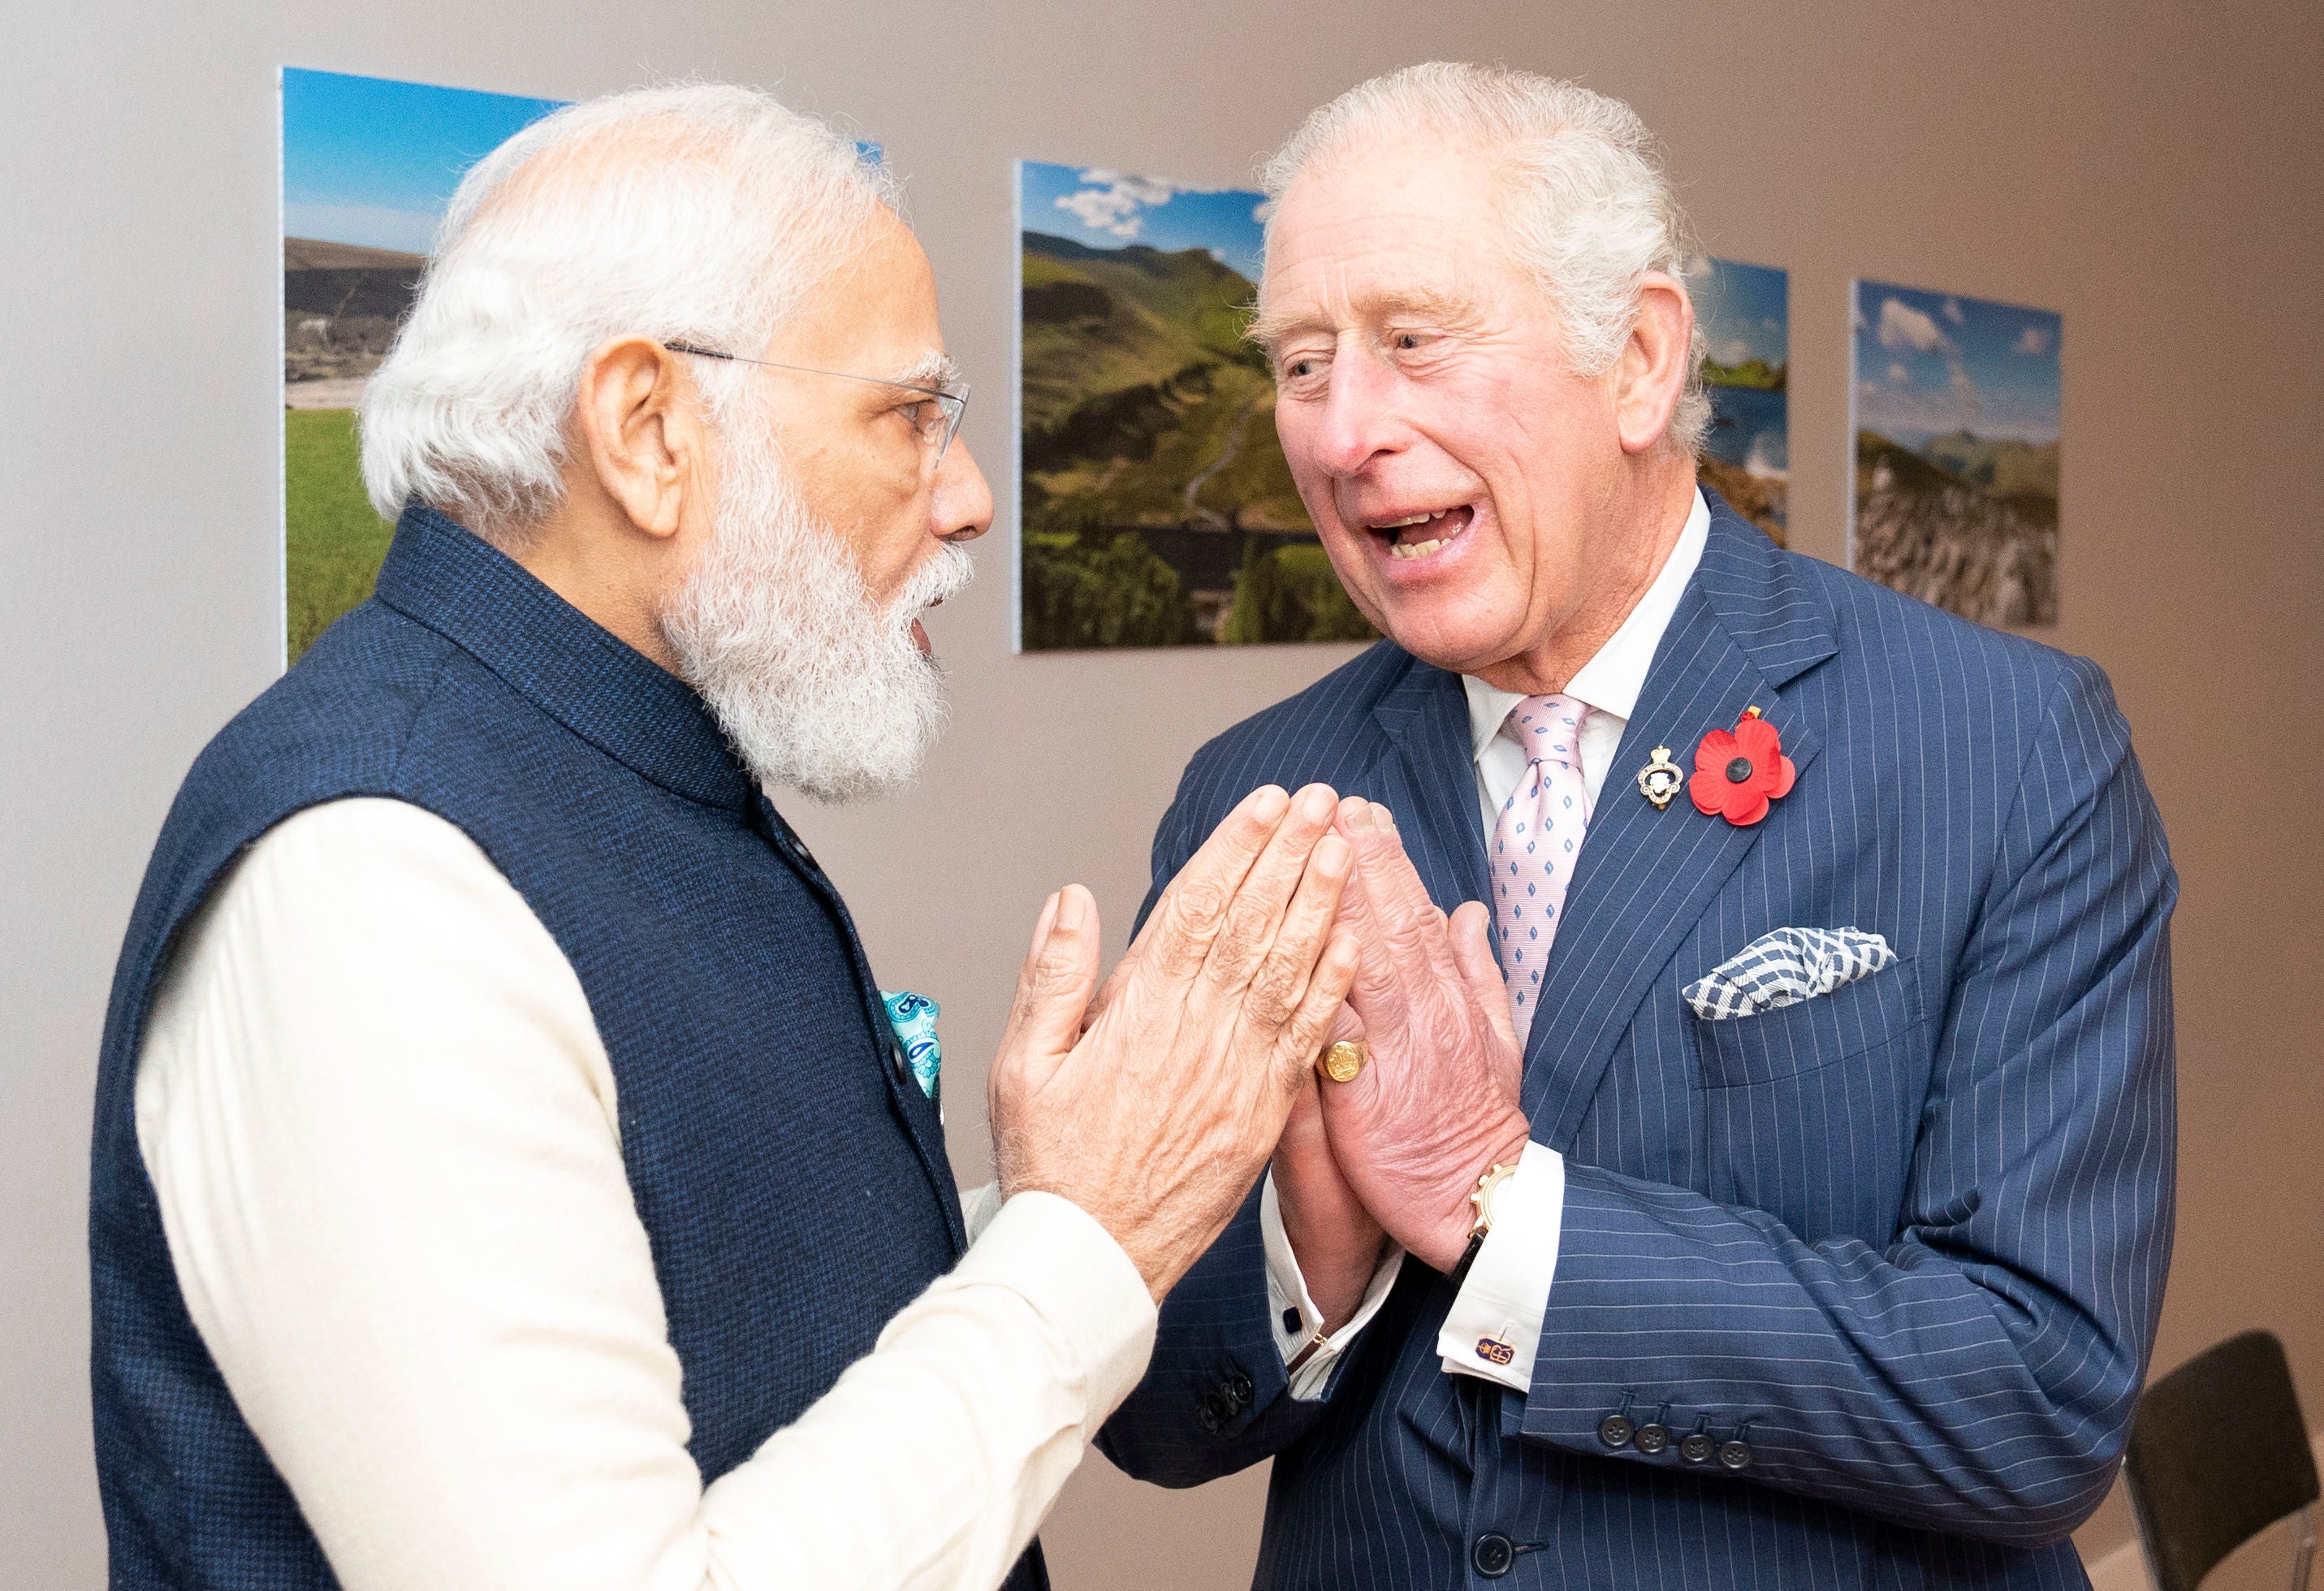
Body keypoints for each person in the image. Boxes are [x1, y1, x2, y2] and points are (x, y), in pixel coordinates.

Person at [91, 85, 1363, 1591]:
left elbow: (728, 1312)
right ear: (647, 432)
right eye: (909, 415)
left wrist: (1101, 1188)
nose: (968, 500)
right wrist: (1087, 1235)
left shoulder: (619, 771)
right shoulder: (373, 880)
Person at [1100, 63, 2177, 1589]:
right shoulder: (1255, 795)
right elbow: (1154, 1416)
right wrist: (1306, 1259)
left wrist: (1500, 1210)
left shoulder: (2003, 749)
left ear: (1637, 359)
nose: (1341, 435)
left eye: (1413, 341)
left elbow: (2034, 1400)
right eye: (1300, 364)